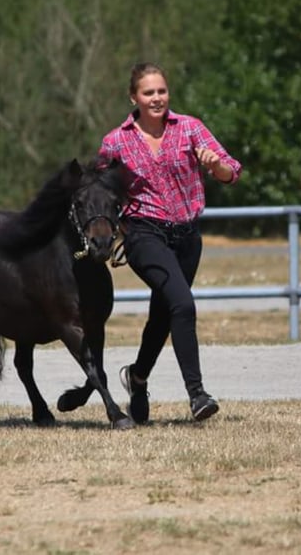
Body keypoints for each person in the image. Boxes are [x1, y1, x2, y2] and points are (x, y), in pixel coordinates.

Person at [98, 62, 242, 423]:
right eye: (148, 92)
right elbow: (98, 191)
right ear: (134, 97)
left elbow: (231, 171)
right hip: (144, 235)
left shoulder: (190, 129)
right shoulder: (115, 142)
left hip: (187, 237)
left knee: (164, 314)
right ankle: (197, 395)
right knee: (183, 304)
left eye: (161, 91)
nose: (157, 98)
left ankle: (137, 377)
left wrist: (215, 166)